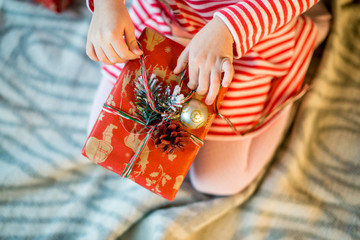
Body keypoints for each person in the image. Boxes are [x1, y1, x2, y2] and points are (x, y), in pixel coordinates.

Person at [85, 0, 331, 195]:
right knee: (106, 142)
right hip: (165, 16)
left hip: (248, 34)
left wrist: (227, 28)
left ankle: (301, 39)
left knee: (219, 181)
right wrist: (108, 5)